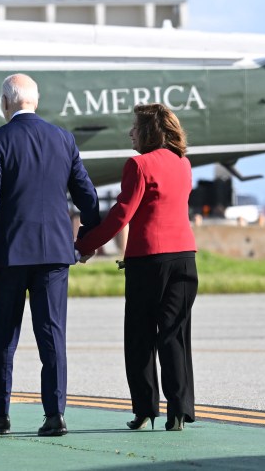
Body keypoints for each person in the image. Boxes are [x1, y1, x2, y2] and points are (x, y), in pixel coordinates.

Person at [0, 73, 100, 437]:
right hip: (56, 254)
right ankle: (54, 414)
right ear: (36, 101)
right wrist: (87, 238)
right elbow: (86, 196)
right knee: (52, 335)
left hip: (11, 254)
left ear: (5, 102)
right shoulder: (64, 139)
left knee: (1, 336)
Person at [75, 103, 198, 432]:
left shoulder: (139, 164)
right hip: (185, 257)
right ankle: (179, 411)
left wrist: (84, 246)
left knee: (140, 337)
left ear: (148, 132)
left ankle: (145, 410)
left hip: (149, 260)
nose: (130, 132)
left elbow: (120, 215)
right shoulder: (183, 164)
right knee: (175, 336)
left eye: (134, 127)